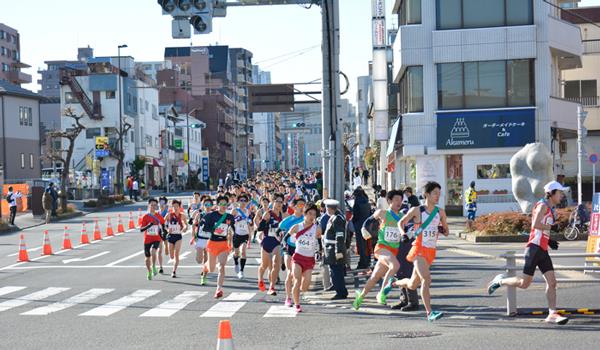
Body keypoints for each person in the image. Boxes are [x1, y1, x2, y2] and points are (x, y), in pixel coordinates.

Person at [487, 181, 569, 325]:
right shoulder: (543, 205)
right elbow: (535, 225)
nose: (562, 195)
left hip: (542, 249)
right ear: (552, 193)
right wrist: (551, 228)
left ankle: (552, 313)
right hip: (533, 249)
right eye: (560, 192)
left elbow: (540, 229)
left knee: (552, 282)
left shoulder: (549, 207)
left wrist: (548, 240)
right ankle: (500, 280)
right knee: (524, 284)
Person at [388, 181, 449, 322]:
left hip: (430, 251)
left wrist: (442, 229)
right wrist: (403, 233)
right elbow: (401, 222)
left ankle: (394, 283)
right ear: (426, 194)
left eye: (439, 194)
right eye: (435, 193)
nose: (437, 196)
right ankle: (430, 313)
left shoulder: (440, 212)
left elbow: (446, 231)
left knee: (412, 284)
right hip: (418, 250)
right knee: (426, 279)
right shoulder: (417, 210)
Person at [353, 190, 404, 309]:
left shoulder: (403, 217)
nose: (399, 202)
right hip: (382, 248)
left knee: (375, 276)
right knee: (395, 266)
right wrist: (364, 229)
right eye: (396, 200)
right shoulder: (383, 213)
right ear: (389, 201)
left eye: (400, 200)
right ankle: (382, 293)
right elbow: (368, 220)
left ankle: (360, 297)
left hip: (393, 250)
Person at [289, 203, 322, 313]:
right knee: (297, 281)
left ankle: (297, 294)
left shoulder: (317, 229)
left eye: (314, 214)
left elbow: (319, 242)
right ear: (305, 214)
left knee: (305, 286)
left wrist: (318, 251)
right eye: (310, 214)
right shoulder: (297, 227)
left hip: (309, 259)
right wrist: (290, 243)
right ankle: (297, 304)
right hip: (298, 257)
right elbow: (287, 238)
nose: (312, 216)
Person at [202, 195, 235, 298]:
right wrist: (213, 229)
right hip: (212, 243)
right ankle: (205, 267)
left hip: (223, 244)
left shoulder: (230, 217)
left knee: (221, 266)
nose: (223, 206)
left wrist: (233, 243)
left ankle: (218, 289)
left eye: (225, 204)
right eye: (221, 204)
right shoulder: (211, 215)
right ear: (217, 205)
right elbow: (204, 228)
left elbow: (233, 230)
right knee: (211, 269)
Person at [256, 193, 286, 295]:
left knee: (276, 264)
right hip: (267, 241)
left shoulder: (283, 215)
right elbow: (259, 228)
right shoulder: (268, 214)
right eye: (277, 201)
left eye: (281, 202)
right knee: (264, 265)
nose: (279, 204)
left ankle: (272, 287)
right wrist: (265, 221)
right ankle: (260, 279)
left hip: (277, 242)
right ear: (272, 202)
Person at [280, 198, 306, 307]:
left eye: (303, 205)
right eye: (299, 205)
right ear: (294, 207)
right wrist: (283, 241)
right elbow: (279, 230)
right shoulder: (288, 220)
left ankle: (295, 296)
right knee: (290, 273)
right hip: (289, 249)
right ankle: (288, 298)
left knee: (298, 276)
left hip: (301, 249)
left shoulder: (306, 219)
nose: (301, 207)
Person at [322, 199, 348, 300]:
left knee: (336, 272)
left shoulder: (337, 219)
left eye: (327, 207)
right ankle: (339, 289)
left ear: (330, 208)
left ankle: (340, 292)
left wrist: (338, 251)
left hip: (334, 249)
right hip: (331, 248)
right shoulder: (335, 217)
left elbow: (339, 236)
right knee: (335, 271)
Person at [139, 198, 165, 280]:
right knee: (147, 258)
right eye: (152, 205)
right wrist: (148, 226)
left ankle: (154, 266)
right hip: (147, 239)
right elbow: (141, 229)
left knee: (153, 251)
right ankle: (149, 270)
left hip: (156, 238)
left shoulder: (158, 216)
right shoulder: (145, 217)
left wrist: (164, 234)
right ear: (149, 206)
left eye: (155, 205)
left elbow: (163, 226)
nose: (153, 207)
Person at [191, 197, 213, 285]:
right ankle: (203, 271)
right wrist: (193, 235)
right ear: (203, 206)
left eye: (209, 205)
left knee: (207, 260)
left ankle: (204, 276)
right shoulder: (199, 215)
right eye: (206, 205)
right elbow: (194, 225)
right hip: (200, 239)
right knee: (199, 260)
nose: (208, 206)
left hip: (210, 240)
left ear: (212, 206)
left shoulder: (214, 215)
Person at [164, 199, 188, 278]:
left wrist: (184, 228)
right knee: (171, 256)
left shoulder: (182, 215)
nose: (175, 208)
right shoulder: (169, 215)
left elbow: (185, 225)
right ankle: (169, 251)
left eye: (177, 206)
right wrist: (167, 229)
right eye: (174, 206)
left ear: (179, 207)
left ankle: (174, 271)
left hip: (178, 236)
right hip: (171, 236)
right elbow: (163, 223)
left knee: (176, 254)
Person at [231, 193, 253, 279]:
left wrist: (250, 232)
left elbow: (250, 223)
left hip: (245, 234)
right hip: (237, 234)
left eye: (245, 201)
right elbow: (229, 221)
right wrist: (236, 221)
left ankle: (241, 271)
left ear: (247, 202)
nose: (243, 202)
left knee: (243, 251)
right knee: (236, 253)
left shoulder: (248, 212)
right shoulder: (235, 211)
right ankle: (236, 262)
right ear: (238, 201)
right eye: (241, 200)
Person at [352, 187, 372, 270]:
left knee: (361, 245)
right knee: (367, 244)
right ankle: (367, 261)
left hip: (359, 225)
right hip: (367, 225)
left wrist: (354, 222)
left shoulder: (357, 202)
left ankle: (362, 262)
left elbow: (355, 215)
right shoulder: (367, 202)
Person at [157, 196, 170, 272]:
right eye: (160, 202)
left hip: (165, 230)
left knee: (166, 247)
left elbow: (167, 221)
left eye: (163, 203)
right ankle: (160, 267)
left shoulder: (167, 212)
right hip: (157, 231)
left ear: (165, 204)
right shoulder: (156, 212)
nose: (161, 204)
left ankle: (167, 246)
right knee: (159, 250)